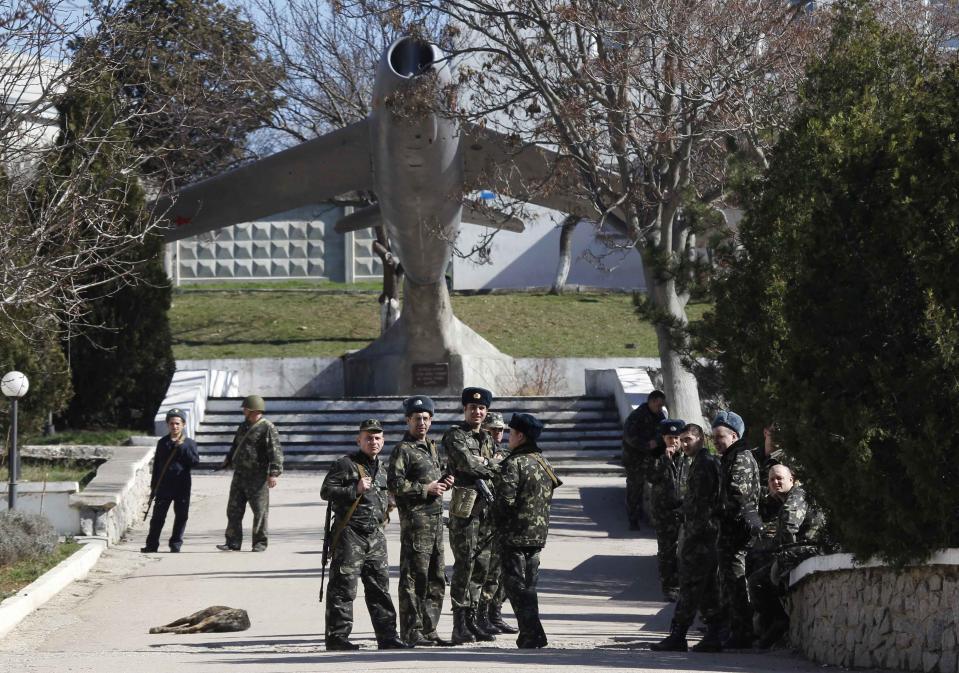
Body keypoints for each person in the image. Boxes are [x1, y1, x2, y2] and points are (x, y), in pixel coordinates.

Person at [321, 419, 410, 651]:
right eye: (368, 438)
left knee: (380, 588)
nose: (373, 442)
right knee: (344, 588)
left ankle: (387, 636)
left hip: (376, 536)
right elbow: (326, 491)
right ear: (359, 440)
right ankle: (337, 638)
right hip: (351, 534)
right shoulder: (345, 464)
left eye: (377, 438)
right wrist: (354, 489)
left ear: (383, 441)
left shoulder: (383, 468)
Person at [387, 396, 454, 647]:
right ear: (408, 421)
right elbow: (394, 484)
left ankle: (430, 629)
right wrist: (426, 488)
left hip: (436, 523)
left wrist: (445, 481)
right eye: (417, 419)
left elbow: (436, 479)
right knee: (415, 578)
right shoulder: (403, 450)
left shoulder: (432, 447)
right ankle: (412, 630)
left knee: (436, 577)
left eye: (426, 418)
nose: (422, 423)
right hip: (416, 524)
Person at [651, 423, 723, 652]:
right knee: (708, 587)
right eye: (681, 440)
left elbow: (701, 504)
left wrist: (690, 529)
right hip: (703, 533)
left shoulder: (704, 464)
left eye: (688, 439)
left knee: (690, 585)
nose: (684, 444)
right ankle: (713, 634)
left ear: (701, 439)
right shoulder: (701, 463)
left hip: (700, 535)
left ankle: (678, 634)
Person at [494, 413, 561, 649]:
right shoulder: (543, 461)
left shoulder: (515, 463)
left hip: (514, 535)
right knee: (529, 587)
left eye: (511, 433)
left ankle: (533, 633)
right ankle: (531, 633)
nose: (508, 438)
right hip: (536, 535)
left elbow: (505, 502)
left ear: (520, 435)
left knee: (516, 587)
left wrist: (492, 516)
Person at [442, 387, 498, 644]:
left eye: (481, 408)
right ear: (465, 409)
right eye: (472, 408)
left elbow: (499, 463)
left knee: (482, 566)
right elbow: (467, 464)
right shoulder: (455, 436)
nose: (477, 412)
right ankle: (458, 624)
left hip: (486, 509)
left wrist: (488, 464)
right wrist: (489, 464)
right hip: (465, 510)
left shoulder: (487, 439)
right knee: (465, 565)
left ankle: (473, 619)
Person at [748, 464, 826, 649]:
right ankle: (771, 623)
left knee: (763, 577)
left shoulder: (797, 495)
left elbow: (789, 526)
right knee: (756, 561)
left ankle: (778, 622)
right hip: (801, 548)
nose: (775, 482)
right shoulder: (785, 498)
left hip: (813, 548)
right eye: (771, 479)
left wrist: (779, 553)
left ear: (791, 479)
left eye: (779, 478)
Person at [712, 410, 762, 649]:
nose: (716, 441)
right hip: (730, 530)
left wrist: (719, 511)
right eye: (714, 436)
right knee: (728, 581)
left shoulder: (740, 457)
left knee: (735, 582)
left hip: (737, 532)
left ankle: (742, 632)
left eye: (720, 436)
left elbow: (738, 496)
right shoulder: (731, 456)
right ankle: (733, 628)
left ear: (733, 435)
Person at [217, 395, 283, 552]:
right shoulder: (243, 426)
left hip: (257, 477)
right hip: (239, 475)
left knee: (260, 512)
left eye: (245, 408)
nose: (243, 411)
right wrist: (228, 460)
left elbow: (275, 452)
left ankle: (259, 543)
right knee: (233, 510)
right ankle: (232, 542)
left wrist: (273, 473)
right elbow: (236, 445)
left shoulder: (267, 427)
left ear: (253, 409)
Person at [478, 412, 518, 635]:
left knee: (502, 571)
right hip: (483, 521)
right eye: (491, 430)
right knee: (486, 571)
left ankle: (495, 613)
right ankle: (482, 615)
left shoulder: (505, 454)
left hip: (502, 519)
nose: (496, 434)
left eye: (500, 430)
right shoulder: (477, 454)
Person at [142, 408, 200, 553]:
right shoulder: (162, 442)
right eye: (172, 423)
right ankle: (151, 545)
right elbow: (157, 466)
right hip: (164, 487)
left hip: (182, 487)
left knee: (181, 517)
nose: (174, 426)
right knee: (157, 518)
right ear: (168, 425)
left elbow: (194, 462)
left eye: (177, 423)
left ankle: (175, 544)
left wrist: (182, 449)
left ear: (183, 425)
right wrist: (153, 486)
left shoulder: (189, 443)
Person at [648, 419, 686, 601]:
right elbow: (651, 477)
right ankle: (669, 586)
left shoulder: (689, 457)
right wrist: (664, 460)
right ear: (663, 438)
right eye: (670, 438)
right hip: (664, 511)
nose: (674, 442)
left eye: (677, 438)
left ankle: (684, 584)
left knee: (686, 549)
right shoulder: (656, 457)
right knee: (667, 550)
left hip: (685, 510)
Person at [621, 390, 667, 530]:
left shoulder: (659, 416)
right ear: (651, 401)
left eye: (661, 406)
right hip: (635, 459)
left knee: (659, 484)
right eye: (658, 405)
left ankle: (654, 516)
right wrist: (647, 445)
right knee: (635, 489)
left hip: (652, 458)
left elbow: (662, 433)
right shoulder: (637, 416)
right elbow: (629, 437)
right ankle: (633, 519)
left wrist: (658, 443)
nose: (660, 408)